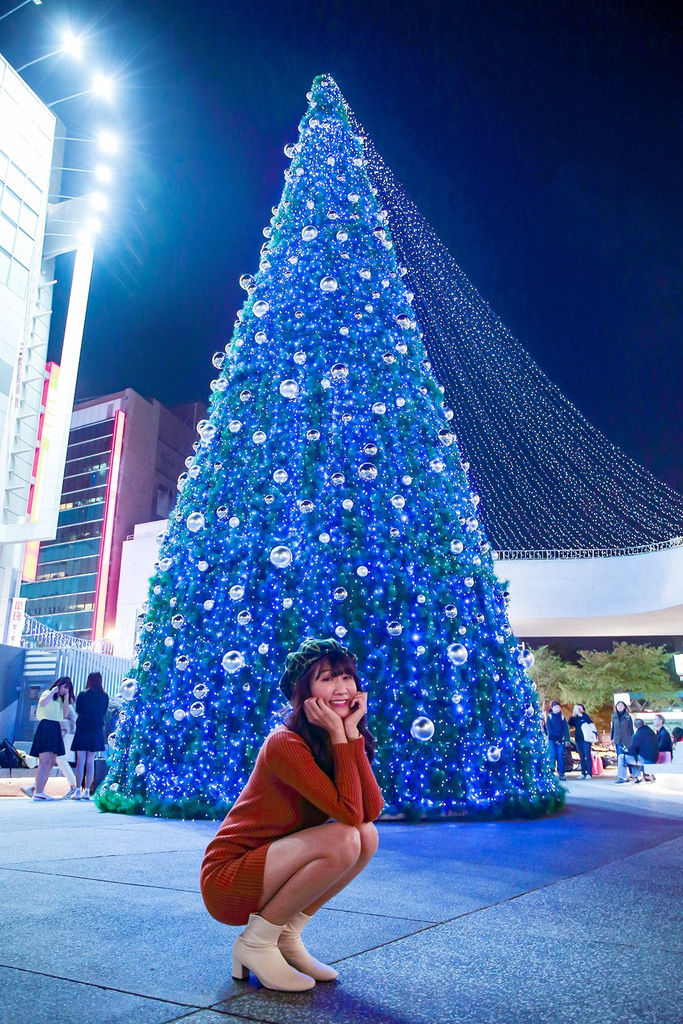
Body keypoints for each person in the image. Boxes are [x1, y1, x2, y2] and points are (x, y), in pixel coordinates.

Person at [200, 638, 383, 992]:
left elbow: (368, 812)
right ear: (306, 691)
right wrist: (339, 732)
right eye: (328, 679)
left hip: (271, 865)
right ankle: (256, 943)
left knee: (366, 835)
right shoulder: (285, 743)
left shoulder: (335, 739)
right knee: (344, 837)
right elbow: (348, 813)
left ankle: (286, 936)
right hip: (229, 877)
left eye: (347, 677)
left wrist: (350, 733)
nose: (342, 688)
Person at [24, 677, 70, 800]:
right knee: (44, 761)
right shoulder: (47, 693)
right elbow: (42, 703)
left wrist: (65, 698)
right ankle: (38, 791)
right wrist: (53, 692)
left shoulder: (61, 699)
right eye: (65, 687)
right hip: (46, 726)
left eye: (67, 689)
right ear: (59, 685)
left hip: (55, 727)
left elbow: (64, 714)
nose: (65, 690)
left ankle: (41, 790)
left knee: (51, 761)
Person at [71, 672, 110, 800]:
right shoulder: (104, 696)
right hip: (96, 730)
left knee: (80, 761)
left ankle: (77, 790)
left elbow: (78, 710)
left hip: (82, 729)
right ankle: (87, 790)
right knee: (90, 761)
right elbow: (104, 711)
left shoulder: (83, 695)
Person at [568, 704, 597, 778]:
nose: (578, 709)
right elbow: (570, 723)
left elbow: (589, 723)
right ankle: (583, 772)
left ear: (583, 710)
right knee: (581, 756)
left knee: (587, 755)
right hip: (578, 739)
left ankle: (589, 773)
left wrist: (580, 715)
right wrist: (573, 715)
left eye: (580, 708)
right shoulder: (575, 718)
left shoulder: (585, 716)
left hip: (586, 739)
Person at [611, 700, 634, 783]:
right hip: (617, 739)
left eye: (621, 705)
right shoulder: (614, 716)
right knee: (620, 757)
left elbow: (631, 728)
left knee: (628, 756)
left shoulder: (627, 716)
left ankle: (632, 773)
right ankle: (621, 775)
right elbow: (613, 728)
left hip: (627, 739)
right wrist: (612, 738)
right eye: (618, 705)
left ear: (624, 707)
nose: (620, 707)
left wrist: (633, 739)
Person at [544, 700, 569, 779]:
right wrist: (555, 738)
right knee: (552, 755)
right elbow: (549, 729)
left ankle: (561, 773)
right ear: (552, 708)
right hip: (552, 740)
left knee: (560, 756)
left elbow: (564, 728)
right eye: (555, 707)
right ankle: (551, 772)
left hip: (560, 740)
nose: (557, 708)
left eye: (558, 707)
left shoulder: (562, 717)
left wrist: (563, 738)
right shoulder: (550, 716)